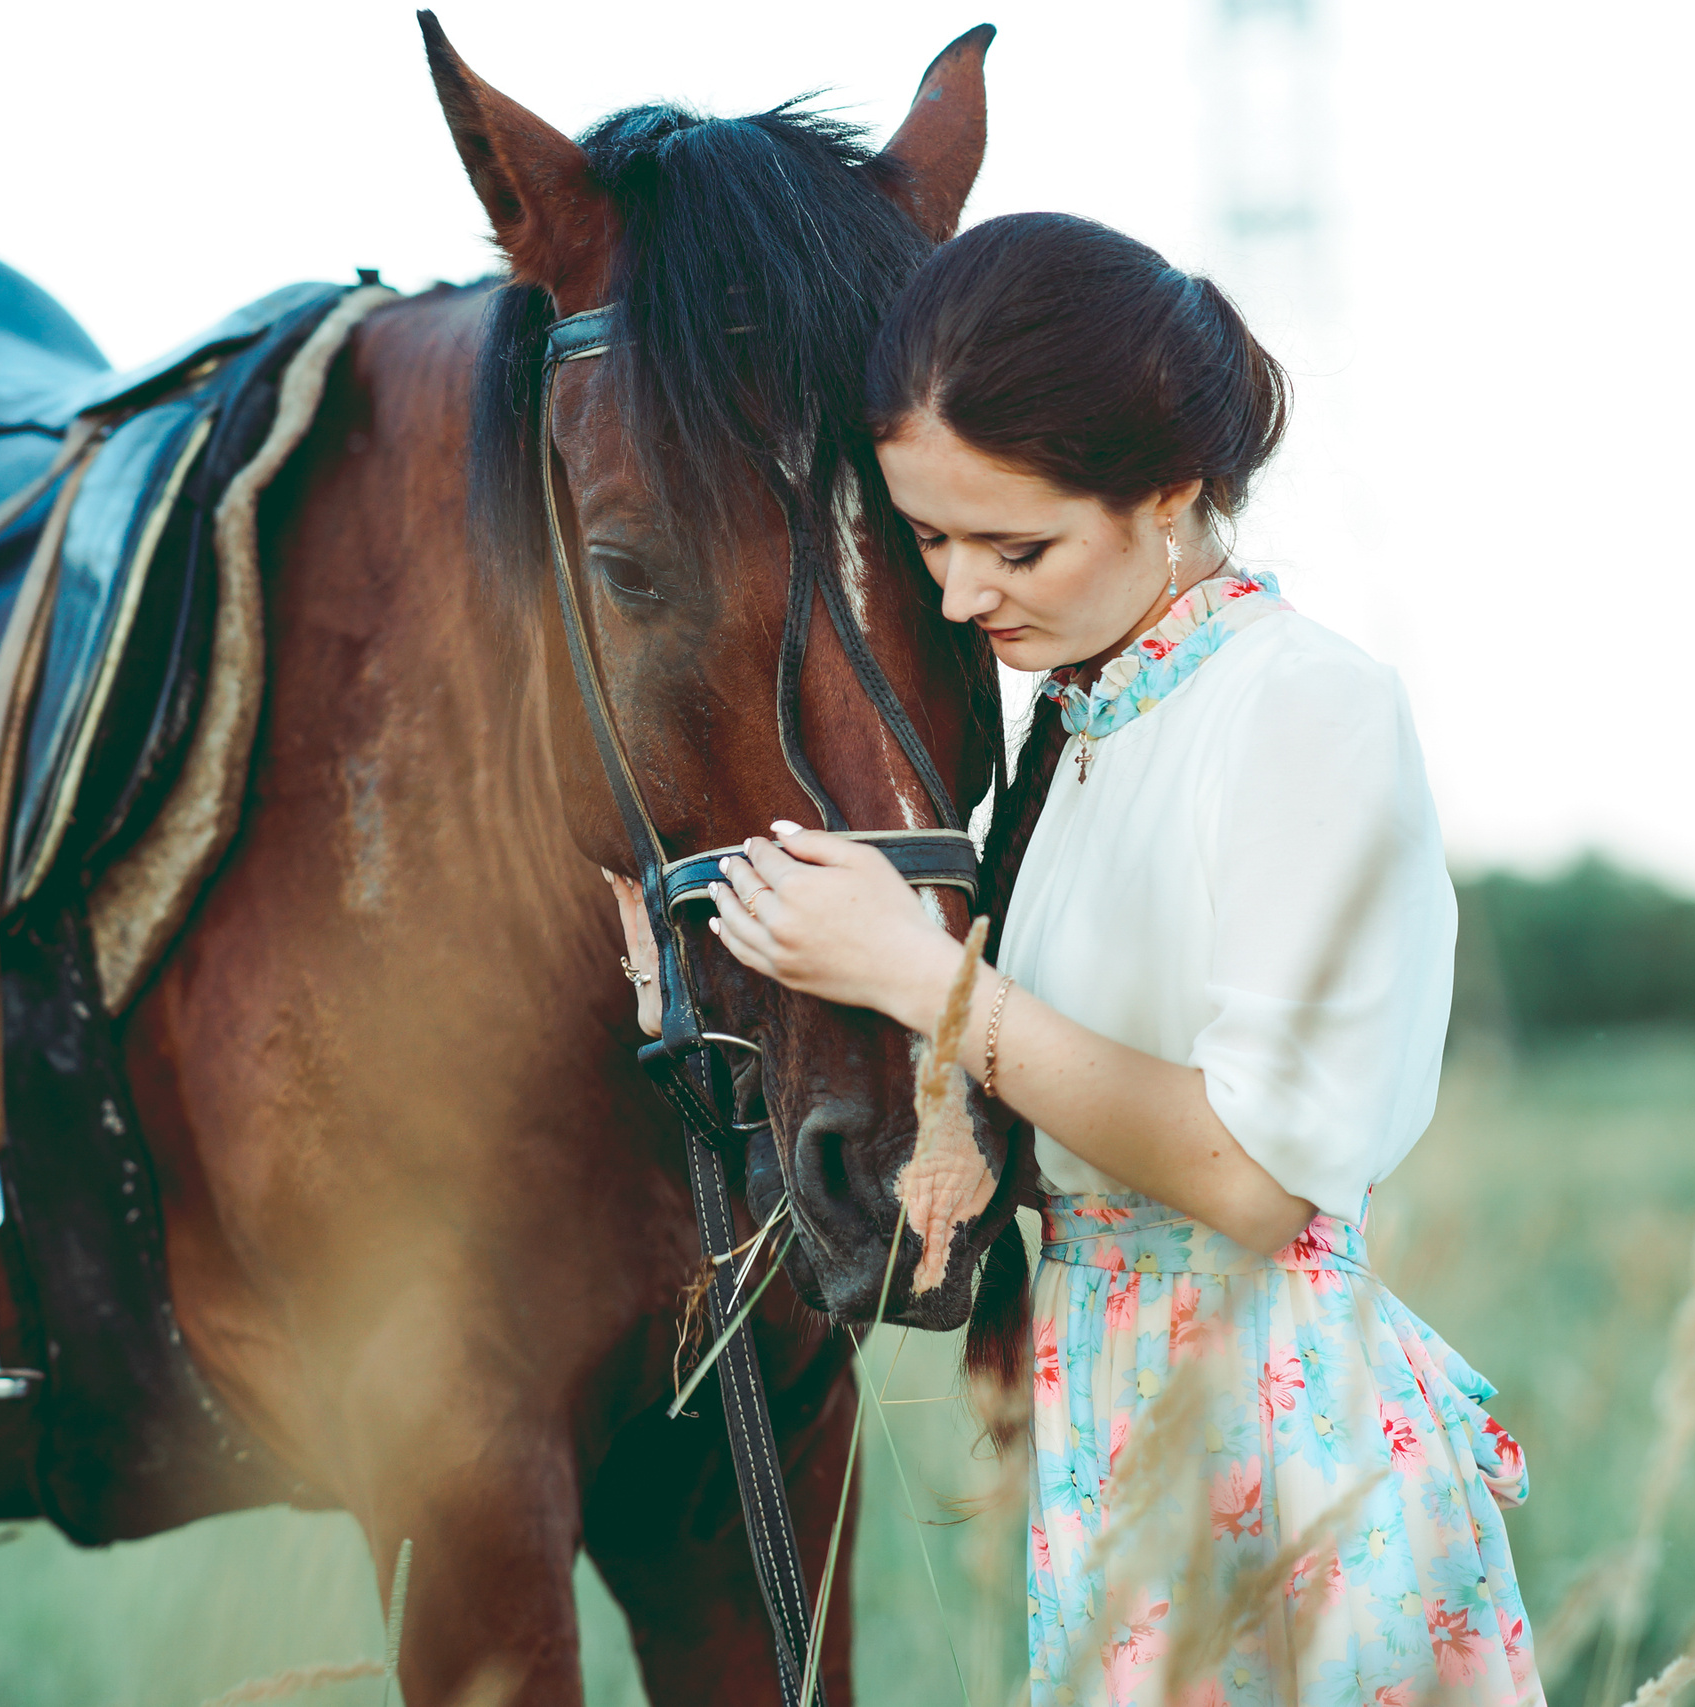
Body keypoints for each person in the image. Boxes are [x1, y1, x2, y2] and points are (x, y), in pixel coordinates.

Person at [610, 211, 1541, 1706]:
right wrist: (742, 976)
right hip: (1112, 1407)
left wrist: (928, 984)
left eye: (1015, 543)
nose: (965, 595)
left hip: (1267, 1441)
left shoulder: (1301, 710)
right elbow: (1039, 1110)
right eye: (926, 540)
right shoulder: (1086, 725)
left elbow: (1254, 1176)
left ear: (1170, 492)